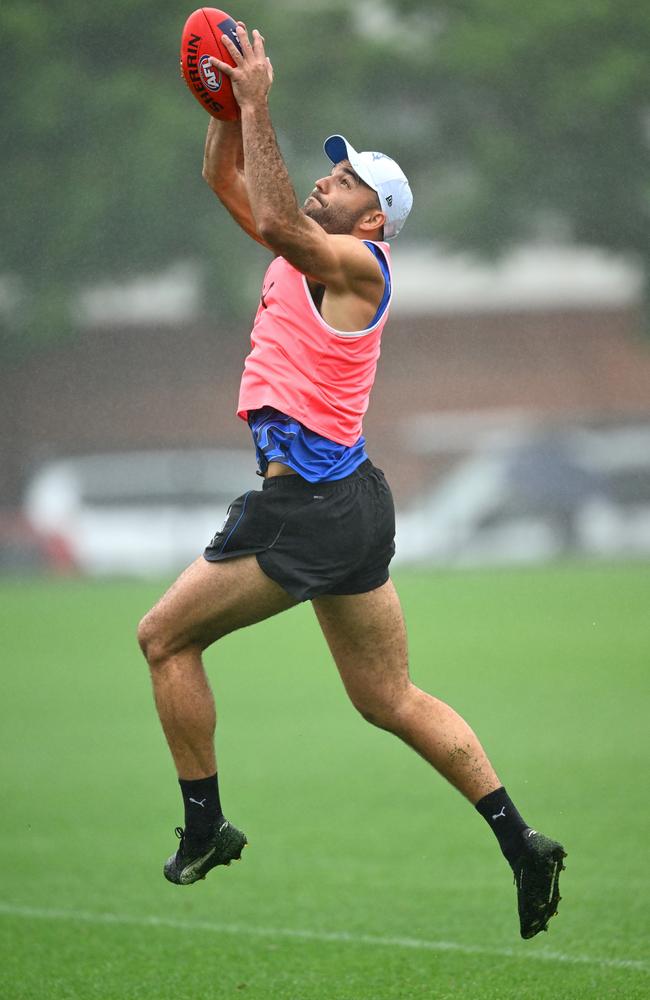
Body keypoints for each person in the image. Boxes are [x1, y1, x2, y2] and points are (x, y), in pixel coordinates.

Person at [137, 23, 566, 939]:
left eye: (348, 181)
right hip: (351, 504)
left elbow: (285, 218)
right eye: (330, 172)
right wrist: (221, 101)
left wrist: (256, 103)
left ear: (374, 222)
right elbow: (231, 185)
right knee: (389, 699)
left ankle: (206, 824)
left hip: (312, 511)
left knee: (163, 640)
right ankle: (521, 841)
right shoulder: (303, 254)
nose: (329, 179)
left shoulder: (356, 266)